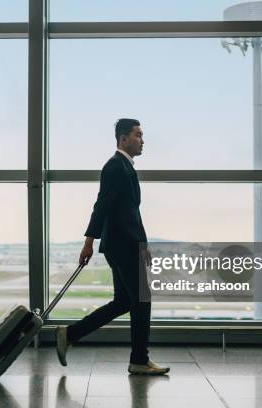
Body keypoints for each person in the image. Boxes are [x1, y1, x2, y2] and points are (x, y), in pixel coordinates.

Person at [56, 118, 169, 375]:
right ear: (123, 139)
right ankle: (139, 360)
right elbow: (102, 206)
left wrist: (144, 244)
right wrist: (88, 243)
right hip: (123, 244)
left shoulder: (123, 167)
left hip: (126, 243)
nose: (143, 140)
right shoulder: (115, 167)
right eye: (138, 135)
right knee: (142, 300)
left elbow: (131, 212)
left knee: (123, 302)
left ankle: (70, 334)